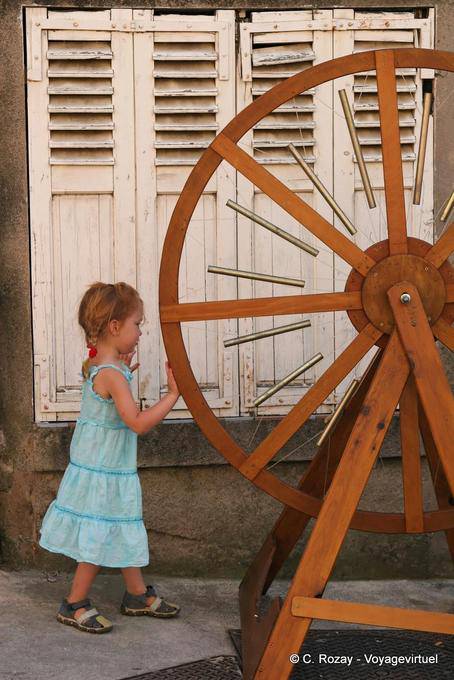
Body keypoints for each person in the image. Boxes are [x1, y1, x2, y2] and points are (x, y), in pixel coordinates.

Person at [39, 281, 181, 634]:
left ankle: (135, 593)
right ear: (115, 327)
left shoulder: (100, 367)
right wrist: (174, 396)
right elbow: (136, 422)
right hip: (105, 471)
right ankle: (74, 603)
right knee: (100, 535)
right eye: (137, 324)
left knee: (120, 524)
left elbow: (111, 406)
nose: (140, 333)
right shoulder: (113, 375)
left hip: (104, 468)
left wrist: (125, 372)